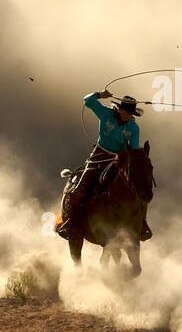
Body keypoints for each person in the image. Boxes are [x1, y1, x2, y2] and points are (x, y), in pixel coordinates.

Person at [56, 89, 152, 240]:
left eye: (130, 113)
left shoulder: (134, 128)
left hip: (119, 159)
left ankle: (141, 224)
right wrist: (100, 95)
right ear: (119, 109)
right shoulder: (105, 113)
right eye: (125, 111)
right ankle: (71, 223)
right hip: (99, 156)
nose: (127, 115)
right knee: (79, 189)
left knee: (138, 189)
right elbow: (87, 100)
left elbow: (133, 149)